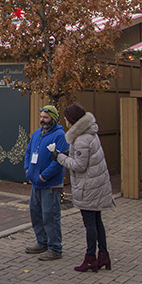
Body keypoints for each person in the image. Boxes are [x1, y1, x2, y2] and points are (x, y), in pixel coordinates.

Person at [50, 103, 114, 272]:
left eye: (66, 118)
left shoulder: (81, 139)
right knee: (97, 221)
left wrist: (59, 157)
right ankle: (104, 255)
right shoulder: (90, 134)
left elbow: (79, 165)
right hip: (97, 184)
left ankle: (91, 258)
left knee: (90, 224)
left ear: (72, 120)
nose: (65, 121)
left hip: (88, 187)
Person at [24, 104, 69, 261]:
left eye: (46, 117)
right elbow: (29, 151)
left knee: (50, 216)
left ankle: (55, 248)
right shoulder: (37, 134)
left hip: (50, 185)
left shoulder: (60, 136)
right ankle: (41, 242)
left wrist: (44, 176)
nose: (42, 120)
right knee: (36, 214)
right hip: (35, 183)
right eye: (41, 117)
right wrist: (27, 169)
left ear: (53, 119)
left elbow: (59, 161)